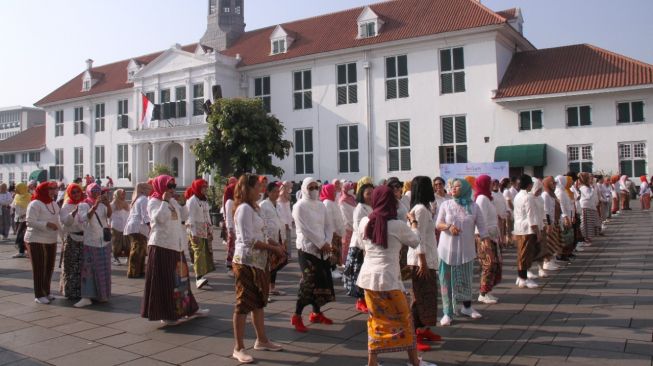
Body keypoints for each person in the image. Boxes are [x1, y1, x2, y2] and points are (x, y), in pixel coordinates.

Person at [357, 185, 435, 366]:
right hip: (388, 279)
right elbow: (415, 241)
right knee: (405, 320)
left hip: (368, 278)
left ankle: (372, 362)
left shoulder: (364, 222)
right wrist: (413, 223)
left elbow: (362, 245)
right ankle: (414, 361)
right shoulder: (398, 225)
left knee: (375, 320)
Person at [231, 174, 284, 363]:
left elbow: (261, 233)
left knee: (259, 302)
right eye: (257, 186)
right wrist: (272, 248)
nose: (260, 189)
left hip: (259, 262)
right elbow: (248, 240)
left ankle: (262, 340)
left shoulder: (255, 207)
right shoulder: (244, 209)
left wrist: (275, 245)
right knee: (243, 304)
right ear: (248, 188)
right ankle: (238, 348)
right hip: (246, 262)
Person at [141, 175, 208, 324]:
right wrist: (164, 201)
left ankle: (189, 309)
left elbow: (184, 215)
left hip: (176, 246)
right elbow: (158, 219)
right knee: (166, 282)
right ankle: (167, 315)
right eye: (169, 186)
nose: (172, 189)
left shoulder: (172, 201)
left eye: (173, 186)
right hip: (161, 246)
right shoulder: (153, 201)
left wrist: (185, 201)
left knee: (181, 280)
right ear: (160, 186)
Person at [436, 178, 489, 325]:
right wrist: (448, 226)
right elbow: (438, 224)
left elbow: (483, 228)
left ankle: (467, 307)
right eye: (452, 186)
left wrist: (486, 245)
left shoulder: (474, 207)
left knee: (466, 280)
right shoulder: (446, 205)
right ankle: (447, 312)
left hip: (466, 251)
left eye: (457, 186)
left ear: (465, 188)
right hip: (446, 251)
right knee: (445, 281)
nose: (453, 189)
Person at [291, 177, 335, 333]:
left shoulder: (321, 205)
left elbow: (329, 225)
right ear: (304, 189)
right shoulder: (299, 206)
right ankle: (297, 315)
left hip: (323, 248)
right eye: (310, 187)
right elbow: (305, 229)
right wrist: (320, 243)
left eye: (316, 187)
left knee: (321, 281)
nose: (314, 190)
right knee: (308, 282)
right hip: (307, 249)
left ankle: (316, 313)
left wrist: (327, 242)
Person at [407, 176, 441, 351]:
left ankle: (423, 329)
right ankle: (413, 335)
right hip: (421, 260)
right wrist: (422, 261)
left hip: (428, 259)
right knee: (419, 298)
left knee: (428, 296)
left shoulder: (424, 208)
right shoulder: (419, 209)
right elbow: (416, 237)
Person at [73, 183, 113, 308]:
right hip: (91, 241)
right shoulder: (83, 204)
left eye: (98, 191)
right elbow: (84, 218)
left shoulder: (103, 204)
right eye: (94, 191)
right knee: (89, 269)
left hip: (104, 240)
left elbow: (109, 215)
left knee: (103, 269)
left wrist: (107, 204)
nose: (97, 193)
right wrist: (94, 206)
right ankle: (87, 296)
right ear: (89, 192)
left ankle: (102, 295)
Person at [25, 181, 61, 304]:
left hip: (51, 239)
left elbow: (58, 221)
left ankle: (46, 291)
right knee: (39, 266)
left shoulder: (54, 204)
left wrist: (64, 236)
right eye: (50, 188)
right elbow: (29, 221)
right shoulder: (35, 203)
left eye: (55, 188)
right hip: (36, 239)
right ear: (43, 190)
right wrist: (46, 224)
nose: (53, 191)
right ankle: (39, 294)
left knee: (49, 266)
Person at [343, 183, 373, 313]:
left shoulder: (372, 207)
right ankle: (360, 300)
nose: (371, 196)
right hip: (360, 246)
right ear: (362, 195)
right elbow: (358, 228)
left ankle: (366, 299)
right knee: (358, 273)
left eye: (373, 193)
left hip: (370, 245)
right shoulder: (360, 208)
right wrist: (365, 247)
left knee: (366, 275)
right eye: (368, 194)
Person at [474, 175, 503, 304]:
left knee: (493, 264)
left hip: (492, 236)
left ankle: (488, 291)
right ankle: (483, 293)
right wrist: (483, 239)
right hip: (485, 237)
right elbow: (480, 221)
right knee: (488, 264)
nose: (492, 184)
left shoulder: (488, 198)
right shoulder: (482, 199)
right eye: (489, 182)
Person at [259, 181, 288, 300]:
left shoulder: (278, 204)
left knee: (277, 263)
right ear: (268, 192)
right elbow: (263, 224)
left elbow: (281, 221)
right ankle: (264, 290)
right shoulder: (263, 205)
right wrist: (270, 241)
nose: (277, 194)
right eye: (274, 192)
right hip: (269, 239)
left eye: (278, 191)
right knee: (269, 265)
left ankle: (272, 287)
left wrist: (284, 239)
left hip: (279, 236)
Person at [186, 179, 215, 289]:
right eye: (203, 187)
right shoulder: (192, 200)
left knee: (204, 254)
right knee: (198, 253)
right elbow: (191, 217)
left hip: (204, 229)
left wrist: (210, 231)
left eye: (205, 187)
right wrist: (193, 234)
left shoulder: (204, 200)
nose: (205, 189)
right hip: (196, 230)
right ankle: (198, 278)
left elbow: (207, 215)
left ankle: (201, 276)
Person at [512, 175, 540, 289]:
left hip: (519, 228)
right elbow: (531, 216)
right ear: (529, 185)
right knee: (525, 254)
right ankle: (523, 278)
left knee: (521, 253)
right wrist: (537, 231)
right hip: (527, 229)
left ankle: (521, 277)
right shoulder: (528, 197)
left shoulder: (518, 196)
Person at [59, 183, 85, 300]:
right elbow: (65, 223)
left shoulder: (84, 204)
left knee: (83, 266)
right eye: (73, 192)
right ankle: (70, 291)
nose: (76, 194)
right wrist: (73, 213)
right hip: (72, 238)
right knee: (71, 265)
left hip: (84, 238)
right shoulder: (66, 206)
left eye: (77, 192)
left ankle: (83, 290)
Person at [124, 183, 152, 278]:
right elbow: (144, 214)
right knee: (138, 250)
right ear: (143, 190)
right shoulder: (144, 199)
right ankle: (134, 271)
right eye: (148, 189)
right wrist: (150, 224)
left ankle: (139, 270)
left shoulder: (138, 199)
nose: (150, 191)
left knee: (140, 249)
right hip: (138, 227)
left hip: (135, 226)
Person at [320, 183, 345, 279]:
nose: (335, 193)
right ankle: (332, 269)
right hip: (332, 231)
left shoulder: (333, 201)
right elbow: (329, 219)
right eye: (333, 191)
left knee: (336, 251)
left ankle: (334, 268)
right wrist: (333, 231)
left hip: (336, 231)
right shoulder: (327, 202)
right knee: (332, 252)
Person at [542, 177, 565, 269]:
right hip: (549, 223)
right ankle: (547, 262)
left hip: (555, 221)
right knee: (549, 242)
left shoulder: (552, 194)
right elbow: (546, 210)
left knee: (554, 242)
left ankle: (552, 260)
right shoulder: (545, 195)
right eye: (552, 183)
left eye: (555, 183)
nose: (554, 185)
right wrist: (548, 223)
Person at [110, 189, 130, 266]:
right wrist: (109, 224)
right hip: (116, 227)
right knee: (116, 244)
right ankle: (115, 258)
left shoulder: (126, 204)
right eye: (122, 194)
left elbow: (128, 214)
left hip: (125, 227)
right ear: (117, 195)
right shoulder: (113, 204)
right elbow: (109, 215)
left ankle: (128, 258)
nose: (124, 196)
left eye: (124, 194)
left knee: (127, 244)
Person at [579, 172, 600, 246]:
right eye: (589, 178)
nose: (591, 179)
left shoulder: (589, 187)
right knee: (586, 224)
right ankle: (586, 238)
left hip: (591, 206)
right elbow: (588, 196)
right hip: (585, 207)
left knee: (591, 223)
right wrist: (592, 189)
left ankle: (589, 238)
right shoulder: (583, 187)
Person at [339, 181, 357, 266]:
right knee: (346, 245)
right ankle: (344, 262)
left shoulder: (352, 198)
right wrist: (351, 226)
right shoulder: (343, 201)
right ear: (345, 189)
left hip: (354, 226)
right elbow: (345, 216)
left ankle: (350, 262)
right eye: (350, 188)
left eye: (352, 188)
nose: (352, 190)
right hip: (347, 227)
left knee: (352, 245)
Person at [11, 182, 31, 258]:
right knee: (20, 235)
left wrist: (26, 214)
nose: (15, 189)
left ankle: (25, 251)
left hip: (25, 219)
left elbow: (31, 208)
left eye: (17, 188)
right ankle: (22, 251)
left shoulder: (29, 196)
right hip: (17, 219)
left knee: (22, 235)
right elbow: (13, 205)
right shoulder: (16, 196)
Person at [277, 181, 294, 259]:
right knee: (285, 240)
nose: (290, 189)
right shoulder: (281, 197)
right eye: (289, 187)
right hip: (284, 224)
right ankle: (285, 255)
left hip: (288, 222)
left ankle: (288, 255)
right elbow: (282, 212)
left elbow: (288, 210)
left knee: (288, 239)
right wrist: (286, 223)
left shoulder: (286, 195)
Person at [491, 179, 510, 248]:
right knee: (496, 231)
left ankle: (502, 243)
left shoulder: (500, 194)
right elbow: (492, 206)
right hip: (495, 216)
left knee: (502, 230)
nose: (496, 186)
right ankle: (497, 244)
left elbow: (504, 203)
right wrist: (497, 214)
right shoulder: (491, 194)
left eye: (497, 184)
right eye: (494, 184)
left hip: (502, 215)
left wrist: (507, 210)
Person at [223, 181, 236, 277]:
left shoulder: (235, 201)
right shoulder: (229, 202)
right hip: (232, 227)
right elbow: (229, 216)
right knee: (231, 246)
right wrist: (230, 228)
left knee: (234, 247)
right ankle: (229, 266)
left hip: (236, 227)